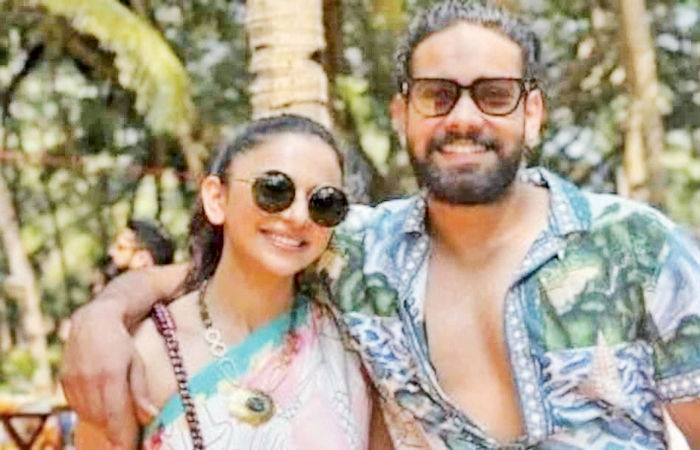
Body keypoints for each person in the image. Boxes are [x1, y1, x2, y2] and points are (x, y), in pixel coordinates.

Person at [61, 1, 700, 449]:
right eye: (437, 94)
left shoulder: (636, 248)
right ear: (401, 114)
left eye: (494, 94)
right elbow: (232, 259)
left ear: (531, 113)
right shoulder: (359, 254)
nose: (464, 118)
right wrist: (103, 316)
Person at [72, 115, 384, 449]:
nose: (297, 216)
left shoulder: (356, 344)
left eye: (324, 202)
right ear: (216, 199)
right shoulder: (145, 354)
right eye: (275, 189)